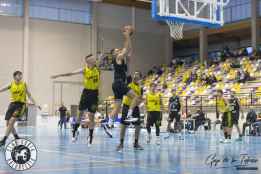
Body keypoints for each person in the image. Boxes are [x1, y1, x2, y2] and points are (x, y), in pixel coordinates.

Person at [51, 54, 100, 145]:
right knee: (80, 113)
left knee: (91, 117)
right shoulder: (84, 69)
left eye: (94, 59)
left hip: (94, 94)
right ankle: (75, 131)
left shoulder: (97, 68)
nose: (94, 60)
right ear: (88, 61)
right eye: (92, 59)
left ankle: (90, 136)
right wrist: (58, 75)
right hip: (86, 93)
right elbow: (70, 73)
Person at [105, 25, 141, 130]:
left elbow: (129, 49)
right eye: (116, 50)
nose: (118, 50)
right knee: (136, 97)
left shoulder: (121, 59)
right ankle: (129, 115)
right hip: (119, 83)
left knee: (117, 107)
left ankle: (109, 123)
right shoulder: (118, 57)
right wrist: (128, 35)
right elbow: (126, 49)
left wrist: (127, 38)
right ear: (114, 54)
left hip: (116, 84)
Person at [0, 71, 39, 147]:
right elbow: (1, 89)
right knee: (8, 124)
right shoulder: (11, 84)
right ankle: (16, 137)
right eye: (19, 75)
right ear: (14, 76)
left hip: (20, 105)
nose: (20, 76)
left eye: (21, 75)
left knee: (11, 122)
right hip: (12, 104)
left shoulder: (24, 84)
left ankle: (3, 140)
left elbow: (29, 95)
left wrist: (35, 103)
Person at [116, 72, 144, 152]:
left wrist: (139, 102)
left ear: (139, 78)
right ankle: (121, 143)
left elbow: (140, 98)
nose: (135, 76)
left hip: (135, 108)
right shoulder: (128, 85)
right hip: (126, 106)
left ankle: (136, 143)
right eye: (134, 74)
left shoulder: (141, 88)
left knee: (138, 125)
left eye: (137, 75)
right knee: (124, 125)